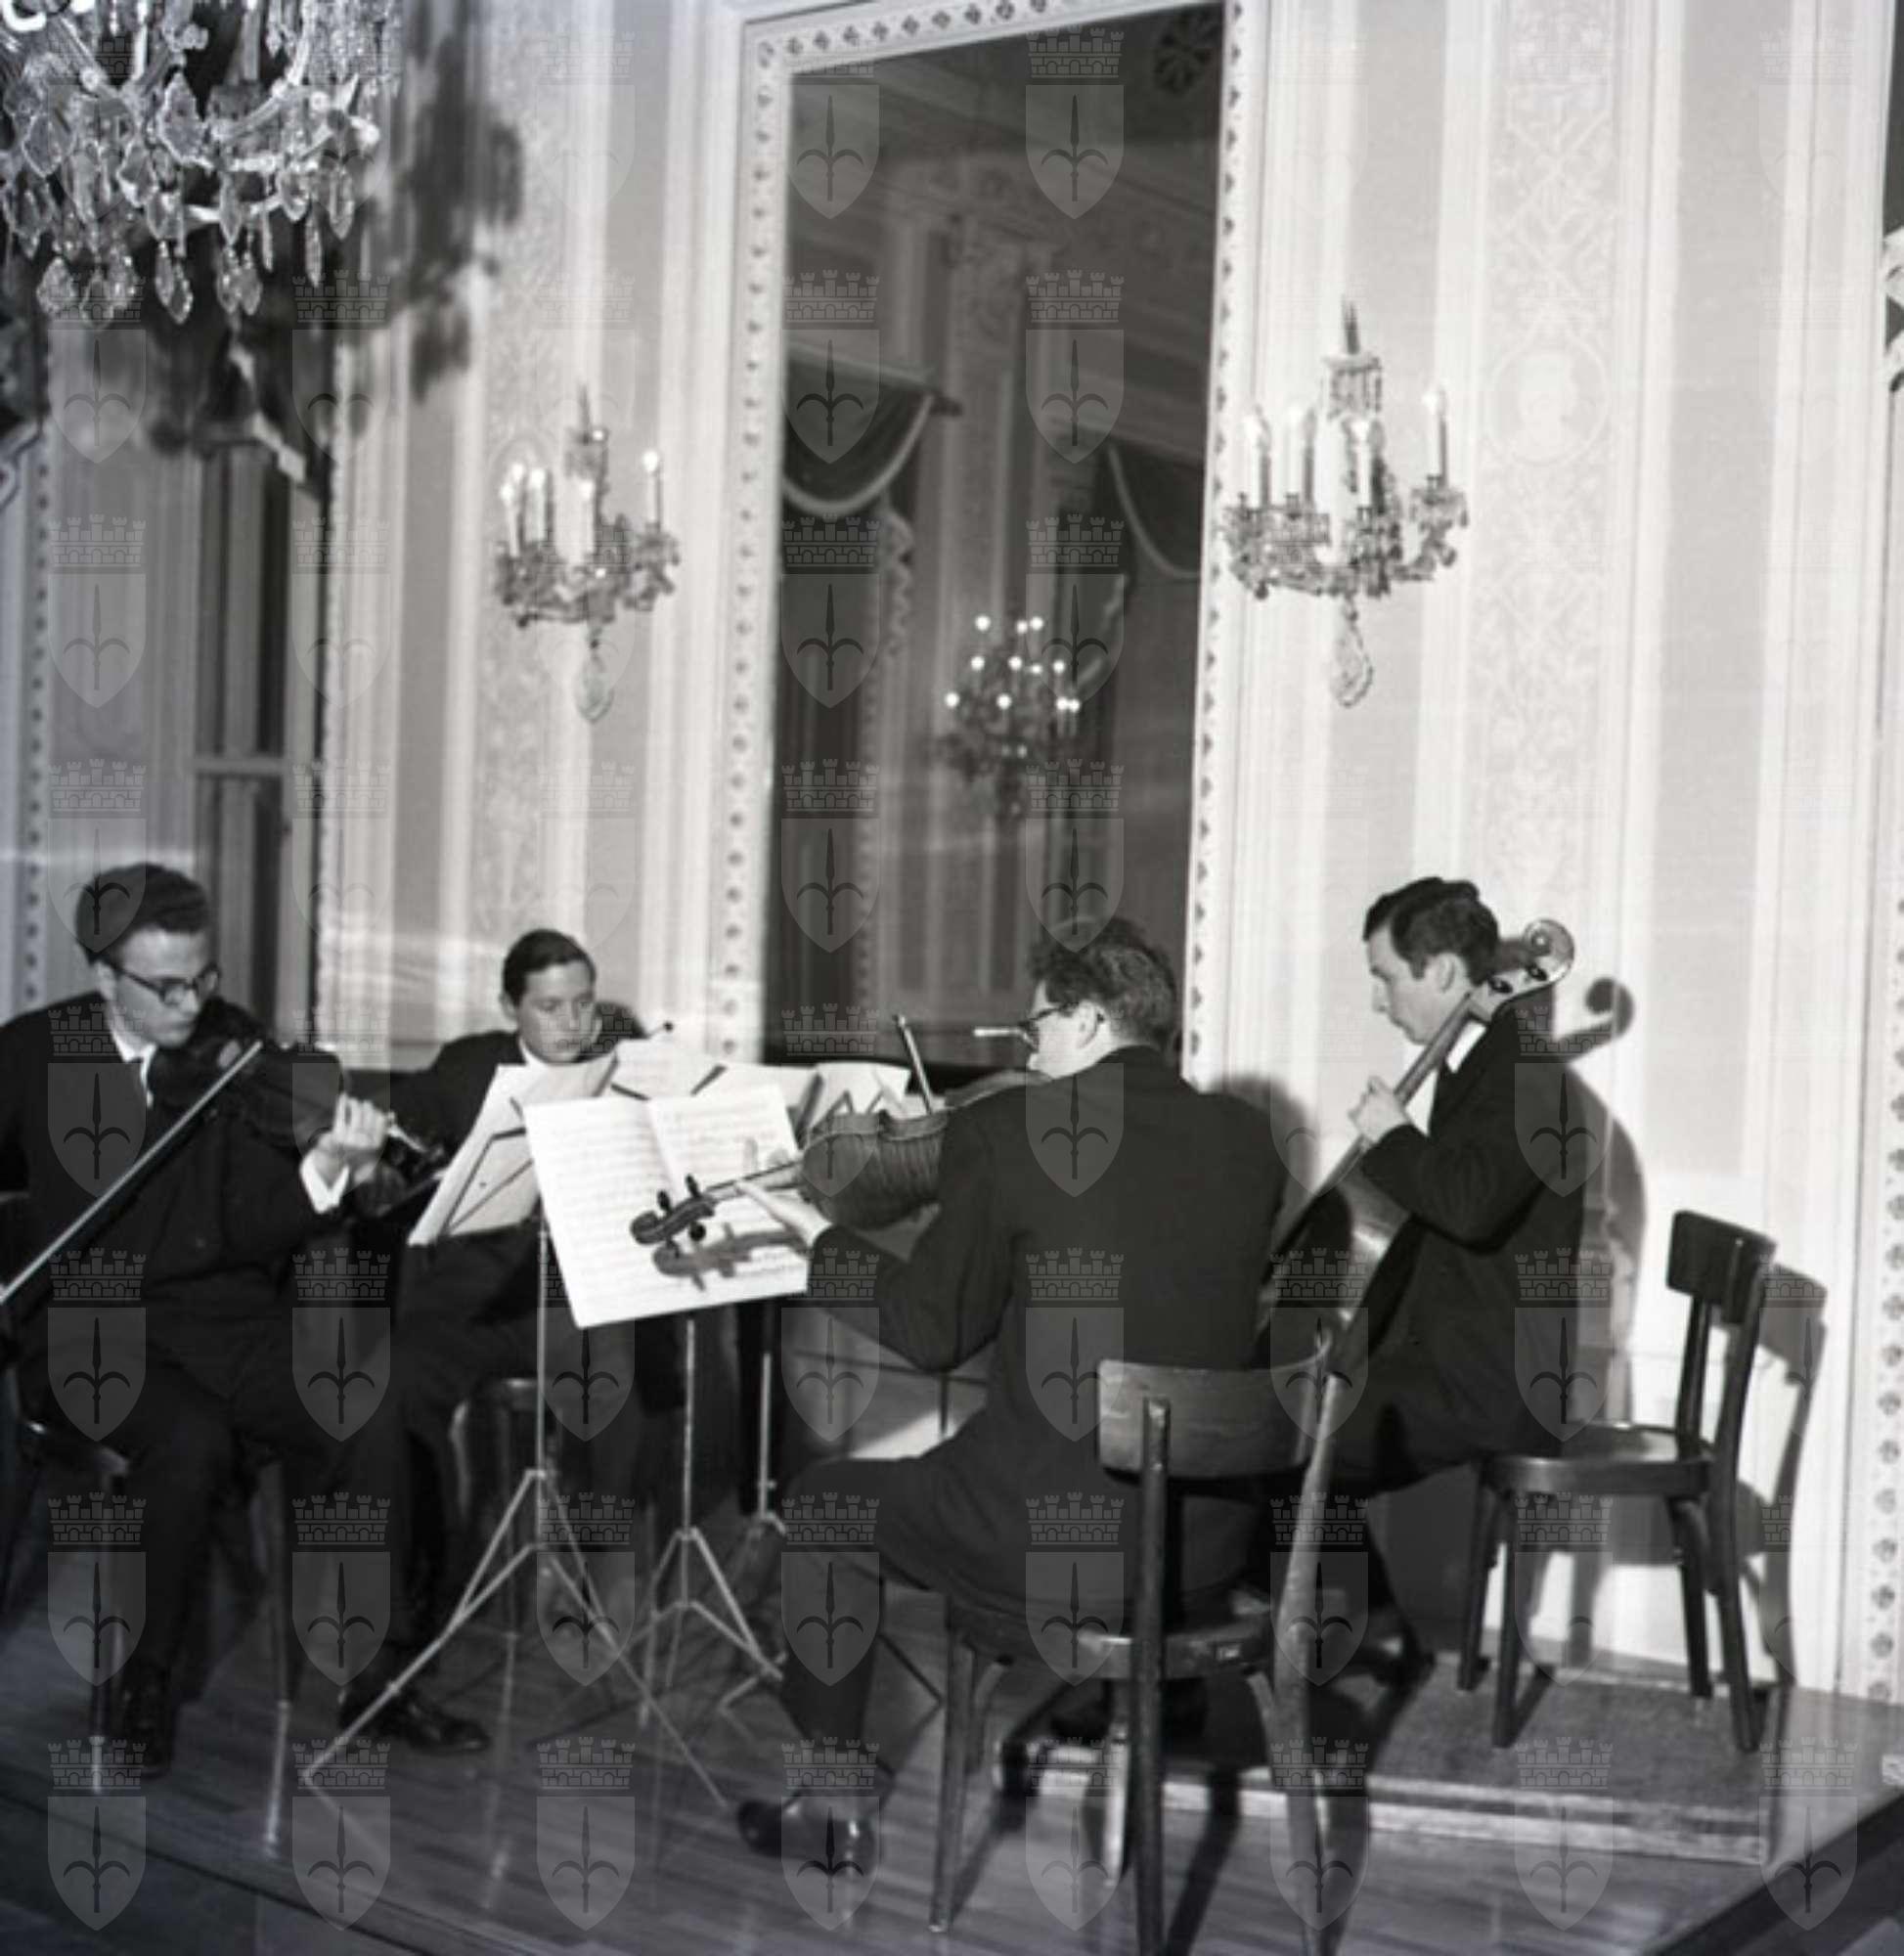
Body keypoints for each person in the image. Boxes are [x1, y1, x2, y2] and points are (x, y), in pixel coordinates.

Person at [732, 919, 1286, 1852]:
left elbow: (932, 1333)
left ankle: (832, 1810)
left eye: (1037, 1028)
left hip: (1050, 1542)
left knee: (823, 1506)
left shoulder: (1006, 1131)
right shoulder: (1246, 1139)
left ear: (1087, 1018)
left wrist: (819, 1243)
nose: (1027, 1053)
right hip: (1200, 1546)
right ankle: (1158, 1702)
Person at [0, 865, 485, 1772]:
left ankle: (375, 1678)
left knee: (367, 1405)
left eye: (202, 978)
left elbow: (255, 1226)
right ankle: (145, 1686)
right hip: (93, 1335)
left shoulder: (242, 1054)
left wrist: (329, 1170)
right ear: (104, 976)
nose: (192, 1004)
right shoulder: (32, 1053)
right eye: (165, 986)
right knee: (186, 1440)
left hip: (229, 1324)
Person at [1262, 875, 1584, 1677]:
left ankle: (1355, 1634)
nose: (1379, 1002)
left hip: (1491, 1382)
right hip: (1444, 1357)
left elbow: (1469, 1208)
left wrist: (1394, 1137)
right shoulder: (1475, 1067)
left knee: (1272, 1439)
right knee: (1274, 1424)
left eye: (1385, 978)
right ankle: (1365, 1628)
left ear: (1440, 971)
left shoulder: (1528, 1076)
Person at [388, 929, 684, 1611]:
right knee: (398, 1388)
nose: (571, 1023)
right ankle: (430, 1573)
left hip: (575, 1302)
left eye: (583, 1003)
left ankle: (602, 1576)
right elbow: (395, 1134)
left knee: (624, 1384)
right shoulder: (466, 1066)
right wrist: (392, 1156)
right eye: (549, 1007)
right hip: (473, 1302)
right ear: (509, 1007)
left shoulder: (623, 1067)